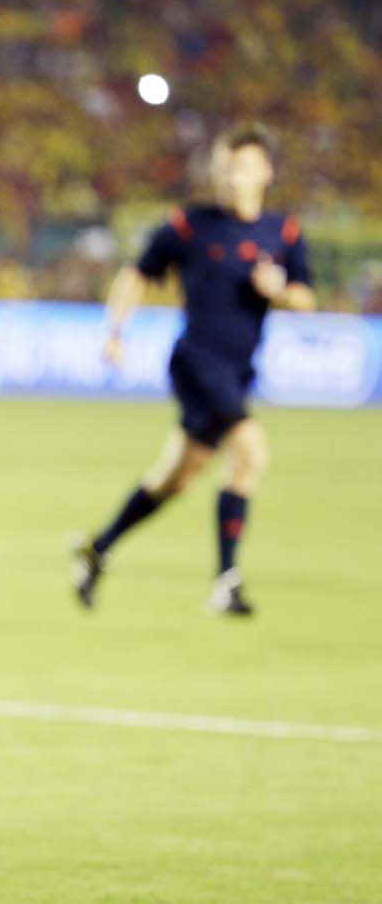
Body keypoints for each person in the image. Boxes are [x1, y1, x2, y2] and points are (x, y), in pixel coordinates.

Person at [73, 123, 316, 615]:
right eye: (226, 167)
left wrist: (280, 291)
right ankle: (226, 582)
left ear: (266, 171)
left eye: (244, 166)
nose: (232, 176)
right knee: (250, 454)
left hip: (238, 369)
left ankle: (98, 549)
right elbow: (137, 273)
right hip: (196, 364)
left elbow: (305, 297)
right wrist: (115, 332)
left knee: (175, 480)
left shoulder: (282, 231)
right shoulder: (191, 225)